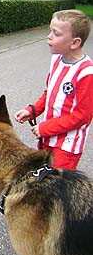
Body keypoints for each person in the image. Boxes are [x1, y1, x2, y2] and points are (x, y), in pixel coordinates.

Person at [15, 9, 93, 170]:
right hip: (47, 139)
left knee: (55, 186)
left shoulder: (86, 73)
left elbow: (82, 116)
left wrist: (45, 128)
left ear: (74, 43)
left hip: (66, 146)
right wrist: (33, 110)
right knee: (43, 181)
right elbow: (50, 92)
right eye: (50, 31)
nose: (49, 36)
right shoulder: (57, 60)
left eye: (56, 33)